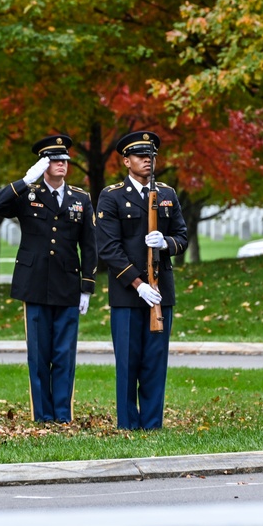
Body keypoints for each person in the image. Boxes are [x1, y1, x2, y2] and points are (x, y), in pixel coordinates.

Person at [0, 134, 97, 423]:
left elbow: (89, 245)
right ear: (43, 164)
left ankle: (62, 414)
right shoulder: (28, 194)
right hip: (34, 283)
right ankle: (42, 414)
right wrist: (25, 180)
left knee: (64, 354)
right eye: (55, 160)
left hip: (67, 284)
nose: (62, 164)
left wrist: (87, 286)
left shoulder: (80, 199)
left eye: (65, 160)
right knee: (39, 355)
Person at [96, 131, 188, 430]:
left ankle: (152, 423)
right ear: (126, 161)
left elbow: (182, 237)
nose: (147, 160)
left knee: (155, 362)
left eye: (150, 155)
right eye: (139, 156)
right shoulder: (111, 196)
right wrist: (138, 284)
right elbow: (108, 248)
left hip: (161, 290)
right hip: (127, 293)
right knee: (127, 362)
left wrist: (166, 243)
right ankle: (128, 423)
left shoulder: (167, 195)